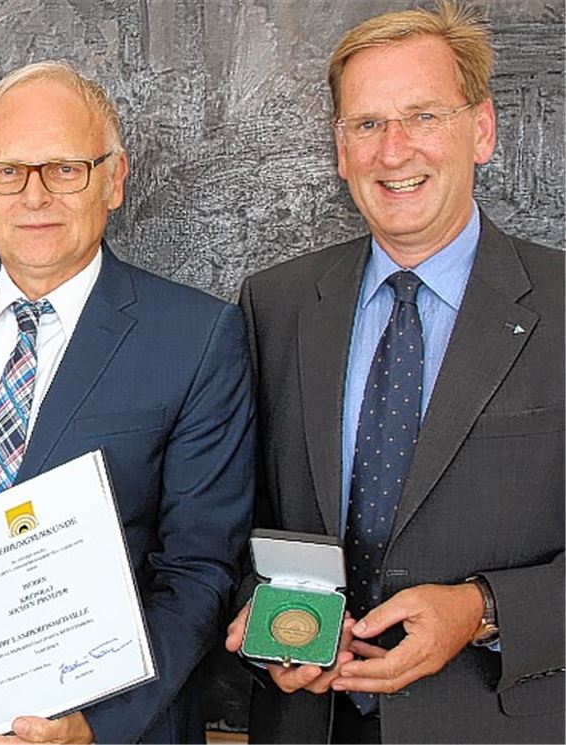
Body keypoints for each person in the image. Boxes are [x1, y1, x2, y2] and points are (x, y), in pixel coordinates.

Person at [0, 60, 255, 744]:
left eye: (65, 168)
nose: (34, 196)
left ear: (114, 179)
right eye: (7, 171)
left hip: (106, 728)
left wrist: (90, 725)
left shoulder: (196, 336)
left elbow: (198, 569)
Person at [225, 2, 564, 742]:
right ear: (340, 150)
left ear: (481, 129)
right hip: (307, 719)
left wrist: (482, 608)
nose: (393, 150)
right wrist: (264, 619)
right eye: (367, 124)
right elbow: (232, 521)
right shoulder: (276, 306)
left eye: (422, 116)